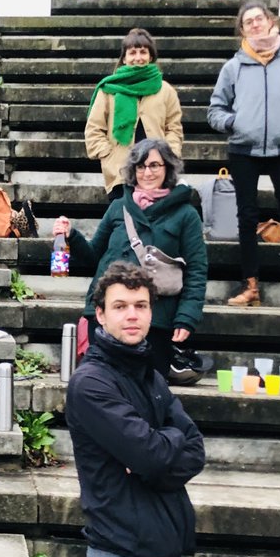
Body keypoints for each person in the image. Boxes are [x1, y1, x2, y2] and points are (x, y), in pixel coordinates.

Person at [66, 262, 206, 557]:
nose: (132, 315)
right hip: (126, 549)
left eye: (141, 306)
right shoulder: (93, 383)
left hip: (154, 541)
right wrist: (161, 447)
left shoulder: (147, 372)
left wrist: (160, 448)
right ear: (100, 315)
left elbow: (193, 448)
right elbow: (152, 454)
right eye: (121, 306)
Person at [52, 139, 208, 384]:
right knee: (103, 386)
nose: (147, 172)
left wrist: (187, 317)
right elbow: (93, 257)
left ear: (167, 168)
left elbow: (197, 270)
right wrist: (71, 235)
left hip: (156, 318)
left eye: (154, 165)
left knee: (147, 389)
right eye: (141, 166)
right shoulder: (118, 207)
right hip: (106, 314)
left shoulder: (186, 214)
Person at [207, 0, 280, 310]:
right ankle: (250, 287)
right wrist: (233, 123)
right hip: (243, 149)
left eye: (259, 18)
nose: (255, 24)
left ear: (270, 21)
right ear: (242, 30)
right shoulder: (233, 67)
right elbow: (215, 109)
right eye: (248, 22)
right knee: (246, 218)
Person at [85, 27, 183, 202]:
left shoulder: (166, 90)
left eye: (143, 52)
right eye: (132, 53)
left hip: (156, 172)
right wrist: (109, 155)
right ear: (124, 58)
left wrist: (169, 154)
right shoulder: (108, 90)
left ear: (151, 56)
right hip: (120, 171)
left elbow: (174, 129)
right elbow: (94, 129)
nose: (138, 58)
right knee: (123, 217)